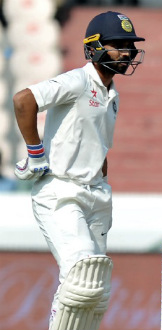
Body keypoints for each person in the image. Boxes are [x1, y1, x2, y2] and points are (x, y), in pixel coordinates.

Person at [12, 11, 145, 330]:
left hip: (96, 196)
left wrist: (100, 180)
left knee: (96, 291)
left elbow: (101, 149)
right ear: (95, 46)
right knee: (81, 276)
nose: (126, 52)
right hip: (61, 193)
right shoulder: (78, 80)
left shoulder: (112, 96)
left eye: (129, 45)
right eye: (118, 45)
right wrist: (35, 152)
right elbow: (23, 100)